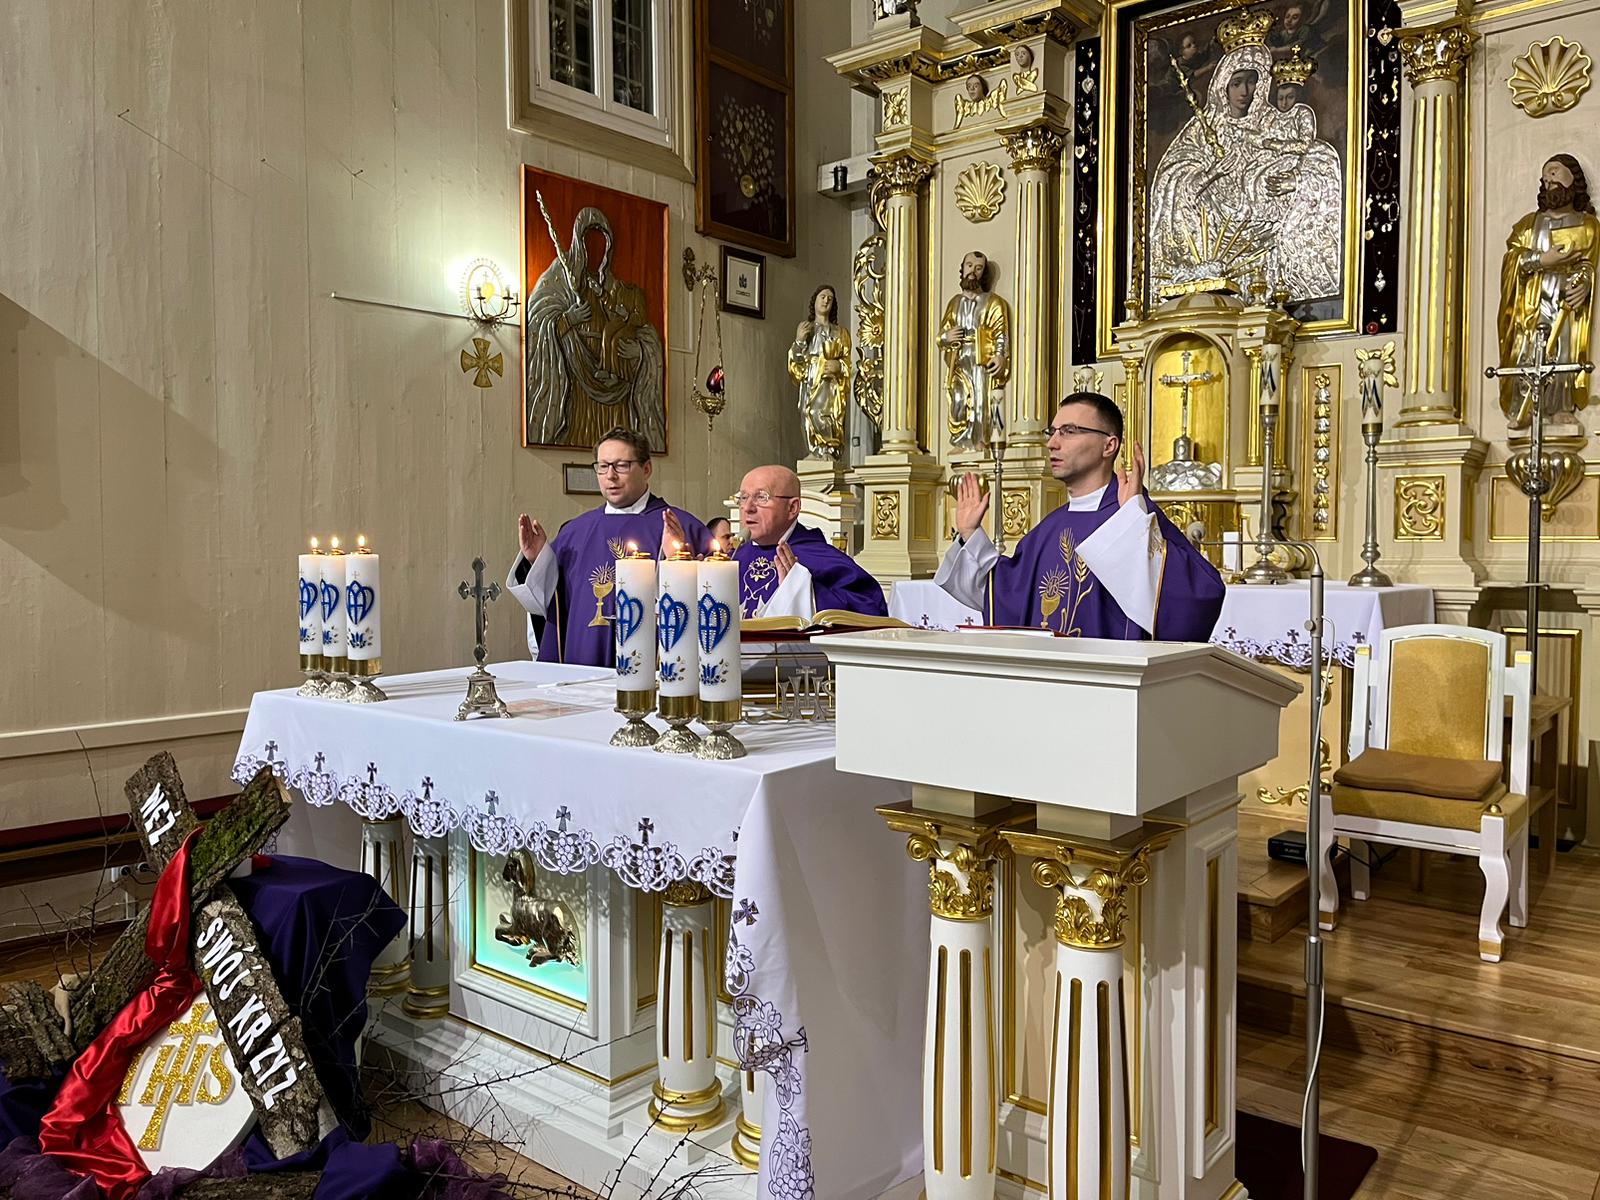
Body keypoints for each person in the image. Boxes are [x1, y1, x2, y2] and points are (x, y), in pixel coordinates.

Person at [935, 392, 1225, 640]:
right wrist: (970, 534)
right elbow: (1005, 594)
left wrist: (1132, 525)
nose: (1052, 443)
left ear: (1109, 445)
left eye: (1069, 431)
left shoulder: (1134, 517)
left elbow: (1200, 598)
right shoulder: (1047, 531)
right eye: (1052, 432)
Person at [507, 428, 711, 663]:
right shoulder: (574, 532)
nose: (610, 476)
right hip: (581, 664)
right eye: (603, 466)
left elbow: (709, 604)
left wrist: (677, 561)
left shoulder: (681, 527)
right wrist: (538, 561)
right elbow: (546, 604)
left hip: (651, 668)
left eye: (621, 465)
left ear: (646, 469)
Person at [1498, 153, 1598, 432]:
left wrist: (1583, 284)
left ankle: (1559, 407)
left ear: (1573, 179)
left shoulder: (1587, 224)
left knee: (1563, 348)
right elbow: (1512, 260)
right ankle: (1527, 406)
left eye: (1555, 172)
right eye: (1545, 176)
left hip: (1564, 301)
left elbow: (1587, 264)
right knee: (1528, 349)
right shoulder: (1528, 224)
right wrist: (1542, 260)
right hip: (1532, 301)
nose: (1548, 179)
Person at [731, 465, 888, 621]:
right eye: (743, 498)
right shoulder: (732, 560)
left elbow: (870, 612)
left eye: (761, 497)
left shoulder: (823, 559)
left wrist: (802, 589)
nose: (748, 508)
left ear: (792, 508)